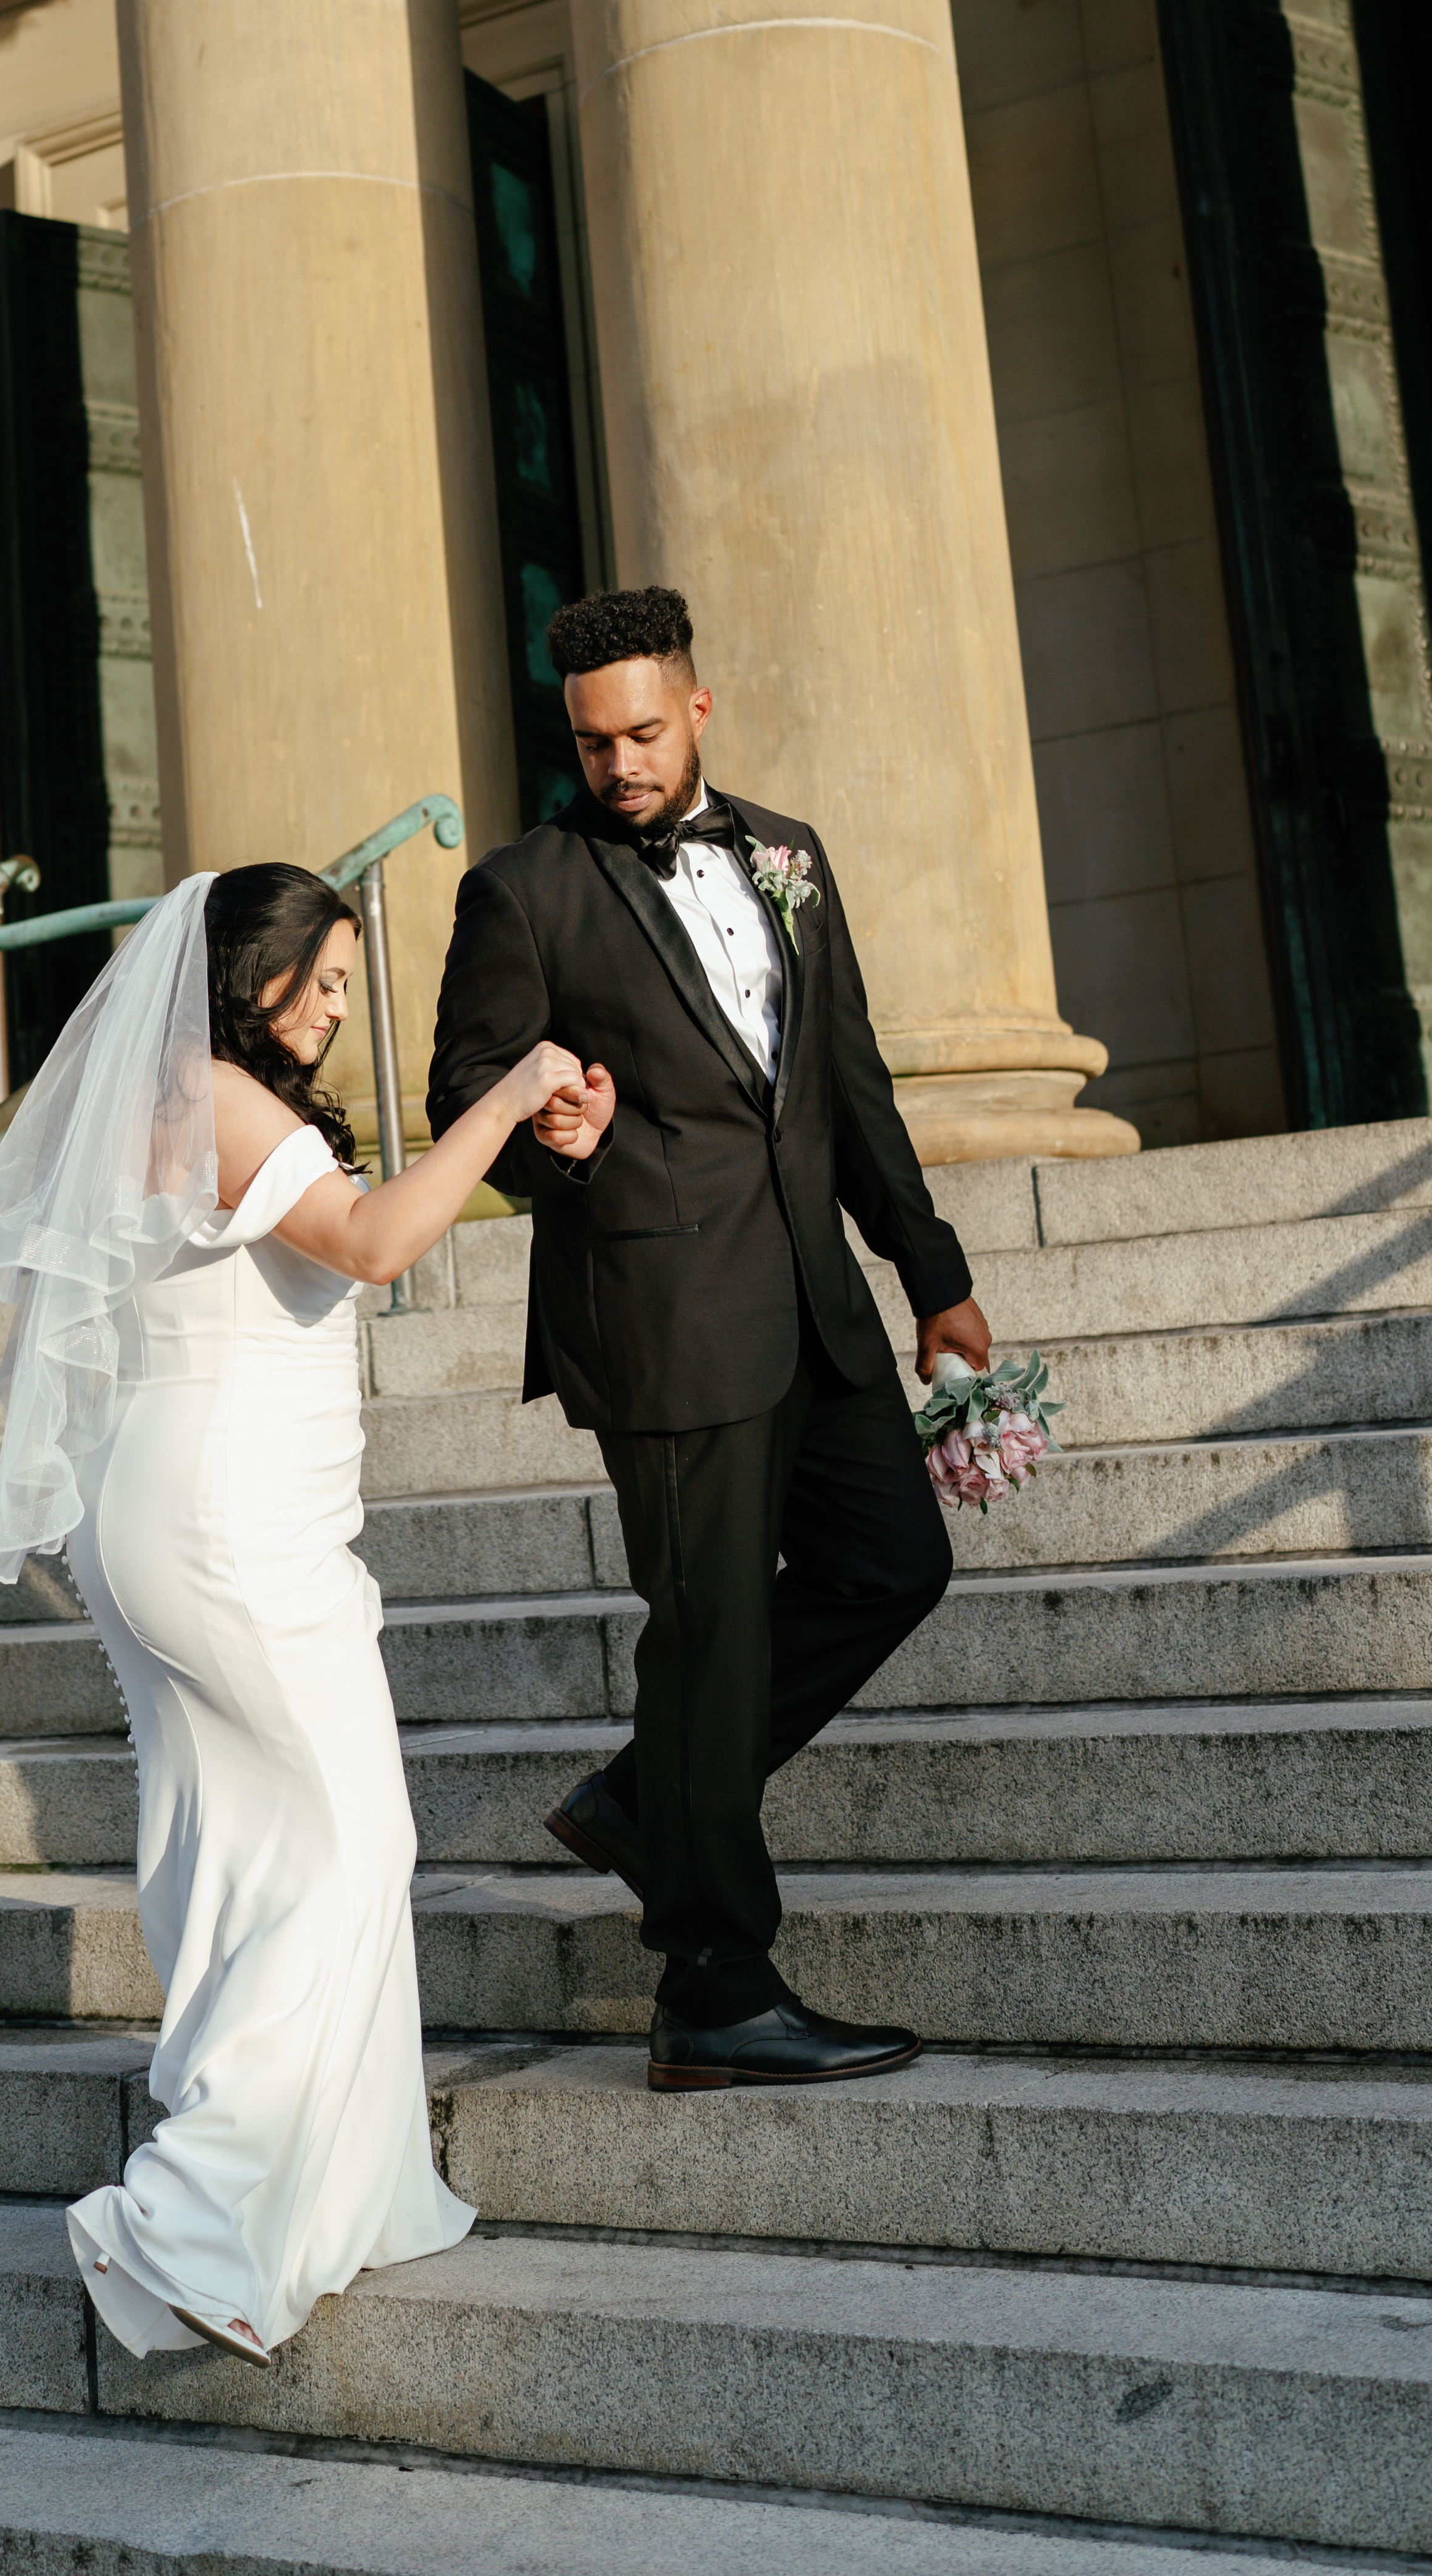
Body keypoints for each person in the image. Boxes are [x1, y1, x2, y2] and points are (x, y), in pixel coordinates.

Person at [0, 861, 587, 2364]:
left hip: (183, 1508)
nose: (333, 1007)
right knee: (351, 1837)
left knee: (239, 1843)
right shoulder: (219, 1100)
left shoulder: (163, 1101)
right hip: (228, 1522)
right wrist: (498, 1104)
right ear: (243, 970)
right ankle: (191, 2218)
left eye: (348, 986)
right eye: (318, 979)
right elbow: (370, 1243)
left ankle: (334, 2203)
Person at [426, 585, 992, 2091]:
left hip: (817, 1299)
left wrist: (928, 1273)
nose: (617, 764)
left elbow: (846, 1078)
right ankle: (713, 1990)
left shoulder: (789, 854)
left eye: (642, 731)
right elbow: (464, 1103)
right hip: (662, 1317)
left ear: (698, 709)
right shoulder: (524, 892)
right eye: (590, 741)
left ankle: (646, 1805)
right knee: (711, 1635)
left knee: (895, 1562)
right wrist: (554, 1132)